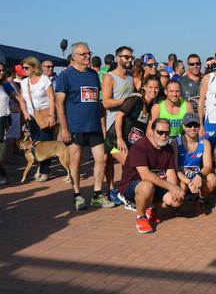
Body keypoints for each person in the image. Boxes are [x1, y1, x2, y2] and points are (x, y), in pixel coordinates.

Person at [56, 42, 115, 210]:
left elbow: (97, 102)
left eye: (89, 54)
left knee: (101, 158)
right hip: (75, 126)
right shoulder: (65, 75)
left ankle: (97, 194)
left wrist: (103, 127)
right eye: (84, 54)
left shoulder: (92, 75)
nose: (88, 57)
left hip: (94, 125)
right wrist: (64, 128)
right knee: (76, 160)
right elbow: (59, 104)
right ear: (74, 57)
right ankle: (77, 194)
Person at [117, 118, 184, 234]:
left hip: (156, 186)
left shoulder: (167, 148)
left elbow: (170, 172)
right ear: (152, 131)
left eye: (167, 133)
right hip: (133, 186)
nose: (164, 136)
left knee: (176, 201)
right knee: (147, 186)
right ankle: (141, 217)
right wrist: (171, 187)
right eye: (160, 132)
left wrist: (174, 189)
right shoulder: (140, 146)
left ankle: (151, 208)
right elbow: (145, 175)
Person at [101, 46, 136, 204]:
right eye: (126, 57)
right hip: (112, 127)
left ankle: (123, 189)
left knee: (126, 159)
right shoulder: (109, 77)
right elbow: (106, 102)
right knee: (113, 159)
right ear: (117, 58)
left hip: (128, 125)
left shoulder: (130, 76)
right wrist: (127, 101)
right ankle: (110, 190)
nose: (129, 60)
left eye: (131, 57)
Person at [17, 57, 56, 182]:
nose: (24, 70)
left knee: (45, 144)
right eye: (23, 68)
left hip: (44, 116)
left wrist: (51, 115)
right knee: (35, 145)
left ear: (35, 67)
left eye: (26, 67)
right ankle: (39, 168)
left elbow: (51, 98)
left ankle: (45, 171)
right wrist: (25, 113)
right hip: (31, 118)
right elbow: (22, 99)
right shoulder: (24, 82)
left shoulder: (44, 80)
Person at [175, 113, 216, 214]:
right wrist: (188, 181)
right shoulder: (175, 143)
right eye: (189, 125)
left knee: (212, 179)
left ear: (199, 126)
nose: (192, 128)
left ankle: (199, 200)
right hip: (181, 176)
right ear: (184, 127)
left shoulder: (205, 143)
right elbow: (174, 169)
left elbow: (208, 166)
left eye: (195, 125)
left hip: (197, 175)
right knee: (182, 187)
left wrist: (199, 176)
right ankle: (177, 206)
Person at [0, 62, 19, 184]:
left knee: (2, 147)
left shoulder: (4, 86)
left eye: (2, 70)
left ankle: (1, 171)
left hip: (2, 119)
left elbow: (7, 103)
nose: (1, 73)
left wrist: (8, 121)